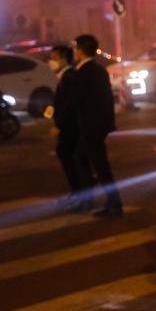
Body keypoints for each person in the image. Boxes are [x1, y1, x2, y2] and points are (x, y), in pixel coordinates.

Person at [71, 34, 122, 217]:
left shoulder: (83, 73)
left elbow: (77, 101)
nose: (74, 51)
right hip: (100, 125)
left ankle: (112, 203)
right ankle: (95, 197)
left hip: (91, 126)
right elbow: (106, 100)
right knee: (84, 159)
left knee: (98, 165)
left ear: (81, 50)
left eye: (76, 47)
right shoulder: (99, 70)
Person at [47, 45, 91, 212]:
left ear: (64, 58)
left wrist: (59, 125)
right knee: (68, 160)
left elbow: (70, 105)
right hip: (68, 128)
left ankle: (81, 197)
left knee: (72, 162)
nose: (51, 61)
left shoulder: (69, 77)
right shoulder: (64, 77)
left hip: (70, 129)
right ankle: (76, 195)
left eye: (54, 57)